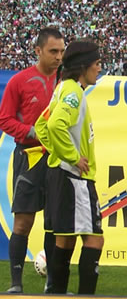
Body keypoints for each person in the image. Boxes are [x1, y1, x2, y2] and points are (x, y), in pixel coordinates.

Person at [34, 39, 104, 294]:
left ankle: (55, 293)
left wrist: (59, 153)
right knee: (95, 239)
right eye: (97, 64)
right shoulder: (73, 91)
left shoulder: (62, 88)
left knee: (64, 240)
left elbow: (42, 124)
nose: (99, 68)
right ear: (84, 66)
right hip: (75, 178)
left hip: (58, 175)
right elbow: (53, 126)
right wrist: (73, 157)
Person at [0, 27, 65, 294]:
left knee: (54, 223)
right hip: (29, 158)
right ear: (37, 51)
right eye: (53, 51)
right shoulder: (19, 81)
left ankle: (51, 285)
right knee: (23, 223)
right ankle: (16, 284)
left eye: (62, 51)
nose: (59, 57)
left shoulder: (67, 83)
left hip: (57, 161)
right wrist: (33, 132)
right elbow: (5, 120)